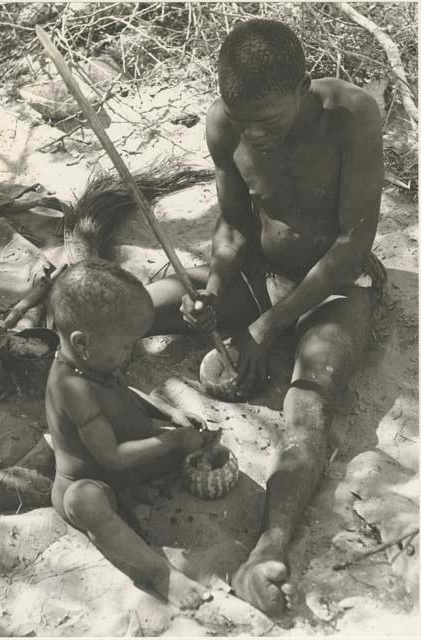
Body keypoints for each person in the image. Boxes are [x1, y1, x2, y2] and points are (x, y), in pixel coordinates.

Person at [146, 18, 386, 617]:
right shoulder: (225, 125)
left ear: (304, 86)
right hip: (259, 274)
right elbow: (231, 227)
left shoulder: (353, 117)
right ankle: (28, 342)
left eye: (270, 120)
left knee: (310, 397)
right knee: (153, 302)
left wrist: (268, 326)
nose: (255, 133)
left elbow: (352, 247)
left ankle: (268, 548)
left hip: (333, 286)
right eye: (243, 119)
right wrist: (219, 289)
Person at [46, 259, 217, 609]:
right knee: (85, 502)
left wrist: (168, 412)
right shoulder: (73, 387)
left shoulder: (93, 363)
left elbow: (124, 391)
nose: (128, 354)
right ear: (83, 342)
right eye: (125, 346)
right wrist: (170, 440)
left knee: (193, 441)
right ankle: (158, 573)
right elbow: (110, 457)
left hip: (126, 460)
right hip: (97, 480)